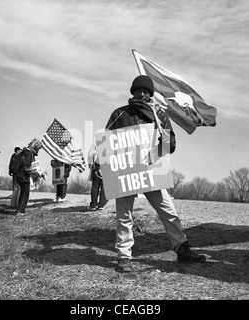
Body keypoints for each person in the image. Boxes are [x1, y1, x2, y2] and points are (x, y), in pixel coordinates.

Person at [104, 75, 206, 272]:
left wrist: (155, 151)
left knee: (168, 211)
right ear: (132, 91)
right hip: (126, 174)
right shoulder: (119, 113)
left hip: (151, 171)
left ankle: (182, 249)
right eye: (139, 90)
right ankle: (124, 257)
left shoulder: (159, 114)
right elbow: (107, 144)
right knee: (124, 216)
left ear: (150, 94)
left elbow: (171, 143)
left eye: (146, 91)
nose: (142, 94)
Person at [15, 138, 43, 215]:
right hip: (23, 175)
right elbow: (26, 167)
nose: (38, 151)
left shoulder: (25, 152)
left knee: (24, 193)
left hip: (20, 174)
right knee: (25, 193)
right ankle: (20, 210)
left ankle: (21, 210)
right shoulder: (28, 153)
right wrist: (35, 173)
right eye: (38, 149)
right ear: (35, 147)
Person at [87, 143, 108, 211]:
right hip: (107, 165)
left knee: (95, 186)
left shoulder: (95, 143)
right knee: (105, 186)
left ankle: (93, 205)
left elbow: (90, 154)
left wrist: (90, 164)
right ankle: (101, 204)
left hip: (97, 165)